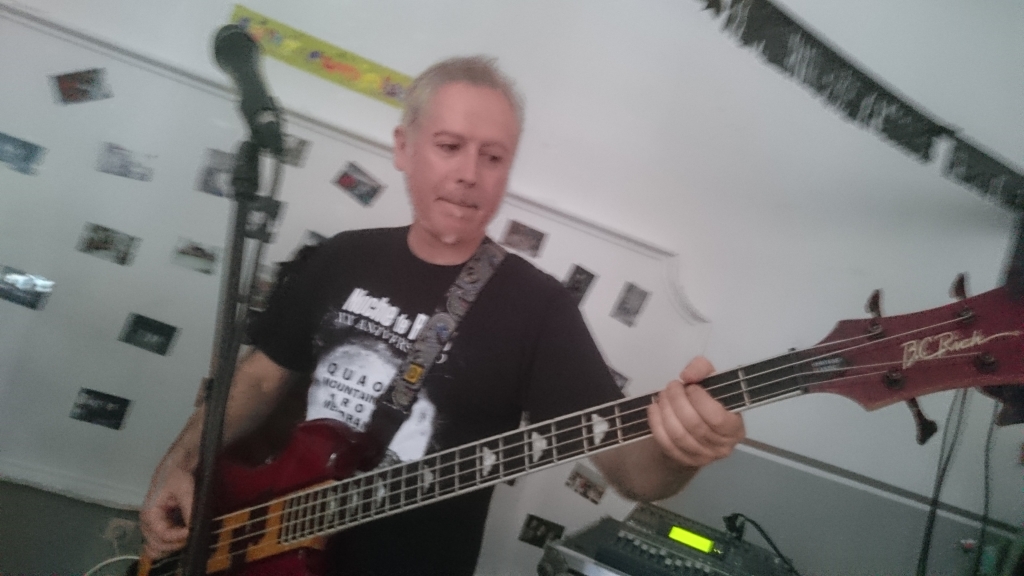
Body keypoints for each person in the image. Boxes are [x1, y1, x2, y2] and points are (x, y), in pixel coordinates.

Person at [139, 56, 745, 575]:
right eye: (450, 146)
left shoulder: (539, 307)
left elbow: (632, 473)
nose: (468, 174)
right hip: (253, 547)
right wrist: (180, 462)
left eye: (493, 157)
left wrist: (679, 450)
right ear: (404, 148)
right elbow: (259, 378)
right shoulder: (341, 257)